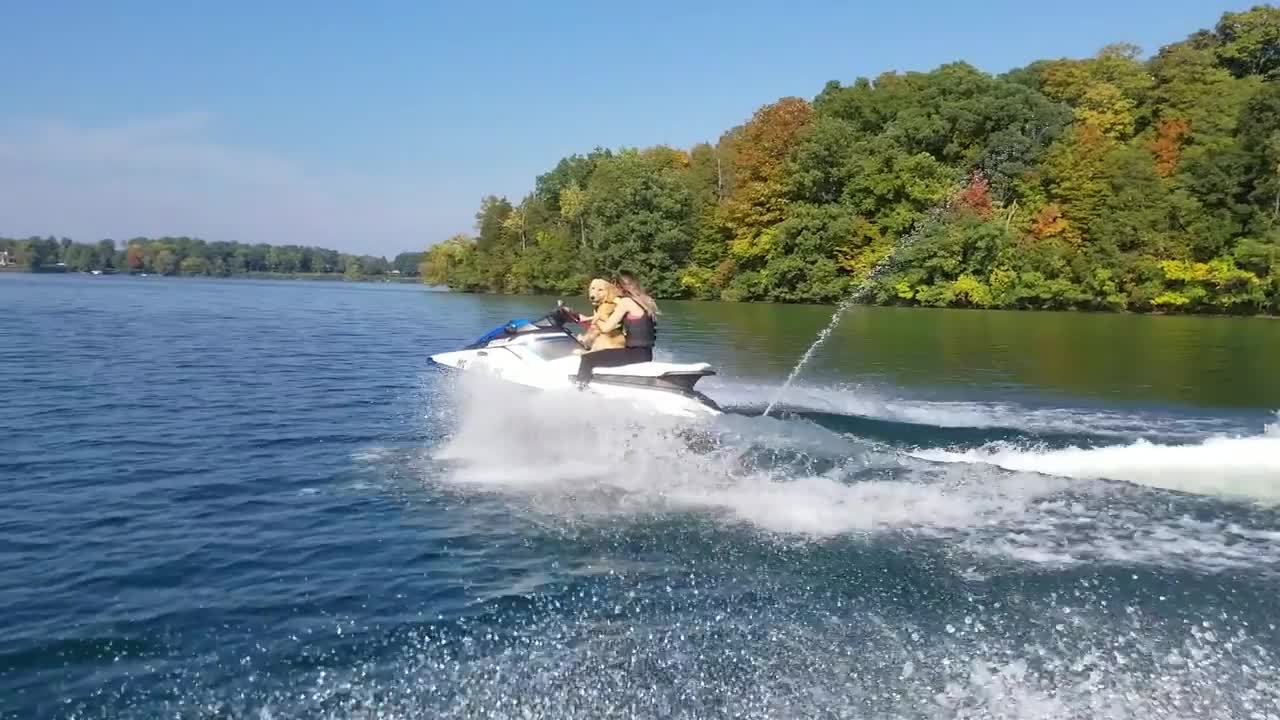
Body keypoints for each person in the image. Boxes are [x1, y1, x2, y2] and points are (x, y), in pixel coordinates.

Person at [574, 271, 657, 386]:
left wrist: (596, 318)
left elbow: (606, 328)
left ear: (618, 285)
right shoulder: (646, 301)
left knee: (587, 359)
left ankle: (579, 390)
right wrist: (590, 319)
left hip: (634, 354)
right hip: (646, 353)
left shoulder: (625, 302)